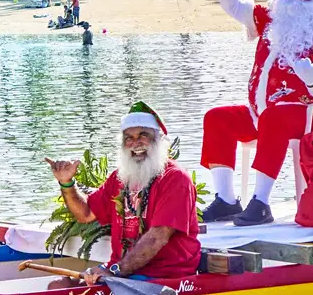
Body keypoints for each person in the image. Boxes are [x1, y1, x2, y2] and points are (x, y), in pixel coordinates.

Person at [201, 0, 313, 225]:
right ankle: (227, 200)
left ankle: (262, 202)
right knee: (217, 118)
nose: (299, 1)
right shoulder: (270, 22)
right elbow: (233, 7)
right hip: (264, 113)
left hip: (311, 117)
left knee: (274, 118)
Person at [46, 102, 201, 282]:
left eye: (143, 135)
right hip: (124, 271)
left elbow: (157, 237)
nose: (136, 143)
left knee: (65, 294)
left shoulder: (175, 178)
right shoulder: (119, 178)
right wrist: (66, 183)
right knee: (59, 287)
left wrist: (115, 271)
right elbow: (86, 214)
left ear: (158, 140)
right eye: (129, 138)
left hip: (164, 276)